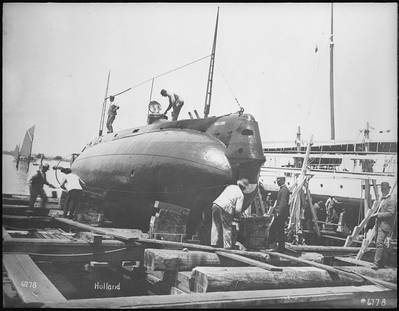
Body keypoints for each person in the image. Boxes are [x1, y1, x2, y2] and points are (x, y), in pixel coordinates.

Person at [211, 178, 249, 249]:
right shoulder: (241, 195)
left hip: (216, 204)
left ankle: (214, 244)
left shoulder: (230, 187)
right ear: (244, 188)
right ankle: (227, 247)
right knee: (227, 228)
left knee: (215, 225)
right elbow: (238, 210)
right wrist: (238, 218)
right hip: (226, 208)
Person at [370, 182, 396, 269]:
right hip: (379, 225)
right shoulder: (383, 199)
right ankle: (382, 263)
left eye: (384, 189)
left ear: (388, 189)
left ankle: (376, 263)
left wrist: (378, 215)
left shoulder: (391, 200)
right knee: (380, 244)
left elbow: (391, 213)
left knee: (379, 243)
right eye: (382, 190)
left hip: (385, 225)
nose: (383, 191)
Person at [269, 176, 290, 251]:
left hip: (280, 214)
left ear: (283, 181)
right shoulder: (283, 189)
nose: (277, 181)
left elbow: (283, 203)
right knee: (280, 230)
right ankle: (281, 247)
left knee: (273, 229)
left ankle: (274, 246)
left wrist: (278, 212)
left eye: (279, 180)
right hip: (282, 213)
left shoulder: (284, 190)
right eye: (277, 180)